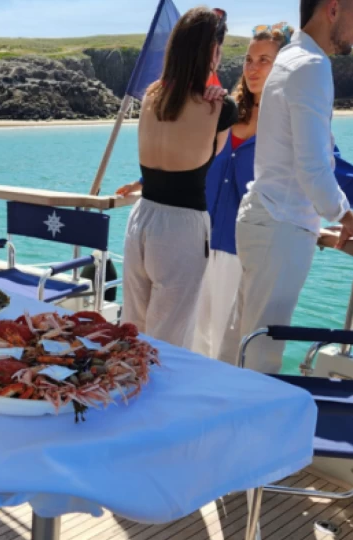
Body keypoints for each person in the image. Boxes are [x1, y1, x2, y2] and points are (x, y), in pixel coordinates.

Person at [193, 21, 353, 359]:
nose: (254, 69)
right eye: (249, 59)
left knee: (237, 344)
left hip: (236, 251)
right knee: (201, 344)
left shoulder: (287, 128)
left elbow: (340, 175)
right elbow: (187, 163)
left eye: (265, 60)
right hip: (201, 245)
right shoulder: (223, 114)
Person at [117, 7, 237, 349]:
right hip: (182, 227)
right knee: (169, 339)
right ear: (213, 50)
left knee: (133, 330)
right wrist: (215, 92)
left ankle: (128, 394)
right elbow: (213, 151)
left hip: (141, 217)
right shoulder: (219, 108)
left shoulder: (152, 95)